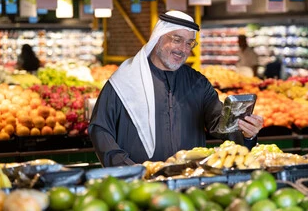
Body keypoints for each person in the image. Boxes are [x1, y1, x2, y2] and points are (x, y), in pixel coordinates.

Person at [88, 11, 263, 167]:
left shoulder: (197, 82)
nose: (183, 49)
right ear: (158, 39)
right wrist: (125, 167)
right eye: (176, 40)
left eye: (189, 43)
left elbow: (219, 122)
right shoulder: (124, 80)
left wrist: (246, 131)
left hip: (189, 182)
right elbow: (100, 129)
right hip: (137, 186)